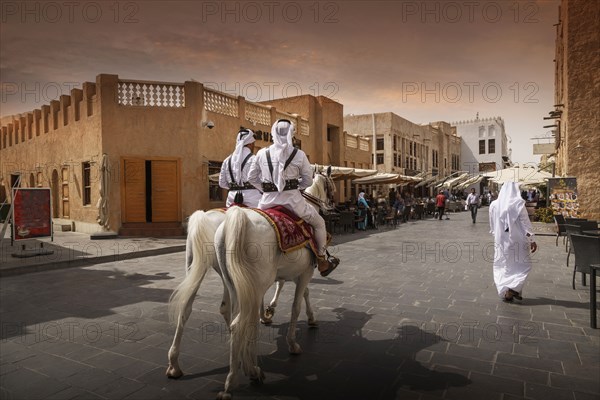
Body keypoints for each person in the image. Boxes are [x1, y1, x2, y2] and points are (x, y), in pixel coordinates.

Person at [248, 119, 338, 277]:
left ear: (273, 132)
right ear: (291, 134)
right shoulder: (299, 155)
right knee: (319, 223)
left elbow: (252, 177)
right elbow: (309, 180)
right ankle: (323, 260)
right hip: (293, 205)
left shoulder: (261, 153)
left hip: (266, 204)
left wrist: (266, 189)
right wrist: (296, 188)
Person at [489, 182, 538, 303]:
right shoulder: (518, 204)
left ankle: (511, 291)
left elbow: (492, 225)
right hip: (517, 241)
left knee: (505, 265)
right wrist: (532, 239)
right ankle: (512, 290)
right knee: (523, 265)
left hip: (501, 240)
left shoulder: (494, 205)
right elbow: (525, 224)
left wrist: (498, 236)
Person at [219, 129, 262, 208]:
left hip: (232, 199)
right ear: (250, 144)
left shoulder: (226, 160)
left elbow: (222, 183)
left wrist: (235, 187)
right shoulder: (255, 159)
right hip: (254, 200)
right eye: (253, 144)